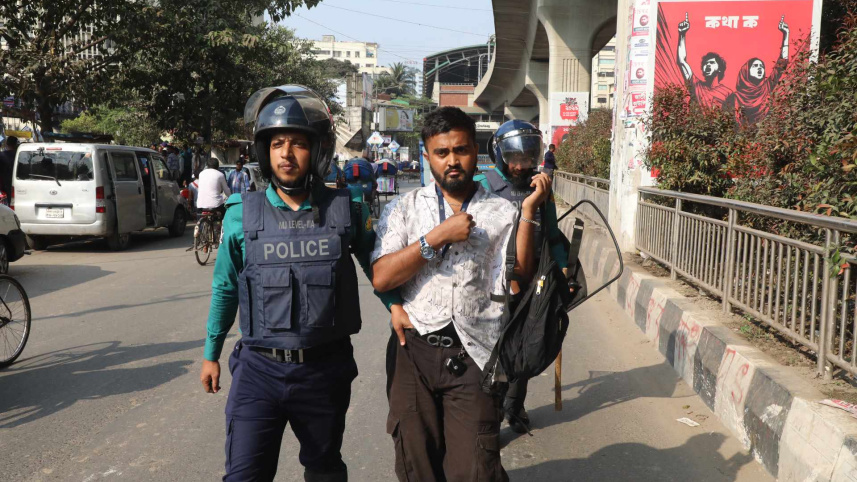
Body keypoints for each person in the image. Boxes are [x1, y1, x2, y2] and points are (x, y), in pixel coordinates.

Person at [200, 85, 398, 482]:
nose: (286, 154)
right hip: (258, 370)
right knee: (243, 475)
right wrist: (211, 352)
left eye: (296, 144)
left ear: (317, 150)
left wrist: (397, 308)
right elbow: (226, 287)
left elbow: (376, 268)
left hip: (323, 370)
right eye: (276, 144)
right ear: (264, 151)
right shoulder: (241, 215)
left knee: (324, 470)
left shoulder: (346, 211)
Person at [371, 107, 550, 481]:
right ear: (427, 156)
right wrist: (435, 238)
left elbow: (518, 278)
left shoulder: (503, 212)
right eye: (441, 152)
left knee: (474, 467)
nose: (452, 161)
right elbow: (382, 277)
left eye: (461, 150)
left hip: (477, 355)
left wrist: (530, 212)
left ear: (477, 152)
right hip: (413, 351)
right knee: (416, 462)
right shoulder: (402, 208)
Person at [473, 120, 571, 434]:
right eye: (515, 158)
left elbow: (553, 236)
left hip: (532, 284)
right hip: (491, 285)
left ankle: (514, 407)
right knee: (492, 349)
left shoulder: (542, 187)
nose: (521, 165)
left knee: (525, 346)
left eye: (528, 157)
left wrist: (564, 270)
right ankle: (489, 411)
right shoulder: (481, 184)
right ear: (500, 155)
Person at [725, 17, 790, 126]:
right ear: (746, 71)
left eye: (761, 66)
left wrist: (786, 34)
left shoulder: (766, 88)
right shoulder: (734, 98)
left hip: (764, 139)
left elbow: (781, 64)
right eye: (755, 66)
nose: (760, 68)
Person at [677, 13, 733, 109]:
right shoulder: (696, 85)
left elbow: (729, 118)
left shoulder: (727, 93)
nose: (707, 65)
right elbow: (681, 61)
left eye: (711, 63)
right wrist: (682, 34)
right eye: (705, 63)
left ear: (719, 69)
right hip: (697, 124)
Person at [0, 136, 19, 201]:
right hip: (18, 183)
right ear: (16, 145)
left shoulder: (1, 156)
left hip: (5, 185)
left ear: (6, 144)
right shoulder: (19, 155)